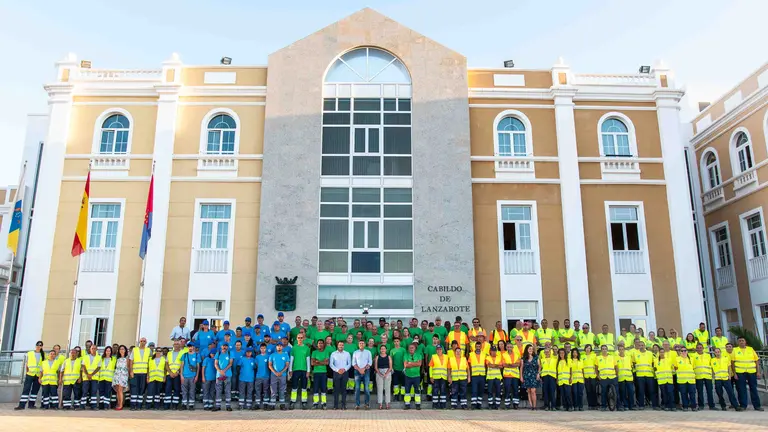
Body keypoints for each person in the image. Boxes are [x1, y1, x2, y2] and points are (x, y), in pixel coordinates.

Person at [732, 336, 763, 411]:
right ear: (738, 342)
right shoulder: (735, 350)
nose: (741, 342)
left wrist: (758, 372)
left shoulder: (750, 349)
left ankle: (757, 406)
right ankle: (743, 405)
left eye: (742, 340)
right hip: (740, 372)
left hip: (751, 372)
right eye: (739, 341)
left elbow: (756, 361)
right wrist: (734, 373)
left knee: (753, 389)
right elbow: (732, 362)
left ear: (745, 341)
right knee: (741, 389)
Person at [16, 340, 44, 410]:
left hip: (37, 375)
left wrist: (41, 376)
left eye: (40, 345)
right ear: (36, 346)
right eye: (38, 345)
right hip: (30, 374)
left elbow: (42, 366)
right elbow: (27, 363)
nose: (38, 346)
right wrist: (27, 371)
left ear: (42, 346)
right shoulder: (30, 353)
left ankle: (31, 405)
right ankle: (21, 405)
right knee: (26, 389)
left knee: (35, 390)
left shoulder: (43, 355)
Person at [632, 339, 657, 410]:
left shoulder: (649, 353)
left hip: (649, 375)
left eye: (642, 345)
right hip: (640, 375)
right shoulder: (635, 354)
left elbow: (653, 363)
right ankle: (641, 405)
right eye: (640, 345)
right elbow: (634, 364)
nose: (641, 346)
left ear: (645, 346)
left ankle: (654, 405)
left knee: (652, 390)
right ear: (638, 346)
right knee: (641, 391)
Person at [289, 333, 311, 409]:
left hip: (304, 370)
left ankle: (304, 402)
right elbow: (291, 359)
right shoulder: (294, 348)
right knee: (294, 387)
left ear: (303, 338)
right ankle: (292, 401)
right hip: (295, 370)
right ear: (296, 339)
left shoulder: (307, 348)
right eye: (299, 337)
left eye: (301, 338)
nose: (300, 339)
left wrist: (308, 371)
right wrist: (290, 369)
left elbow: (308, 360)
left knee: (304, 387)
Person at [129, 337, 151, 410]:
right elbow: (131, 361)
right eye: (141, 341)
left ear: (146, 342)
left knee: (141, 389)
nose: (143, 342)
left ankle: (139, 406)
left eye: (144, 341)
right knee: (134, 389)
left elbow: (150, 364)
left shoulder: (149, 350)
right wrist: (131, 371)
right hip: (135, 373)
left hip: (144, 373)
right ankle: (133, 406)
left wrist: (148, 375)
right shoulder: (135, 350)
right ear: (139, 342)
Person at [692, 342, 715, 410]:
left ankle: (711, 405)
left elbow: (711, 365)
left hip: (708, 375)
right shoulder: (693, 356)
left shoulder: (708, 355)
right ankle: (701, 405)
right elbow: (692, 366)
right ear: (696, 349)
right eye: (698, 348)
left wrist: (713, 374)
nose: (699, 349)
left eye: (700, 348)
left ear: (703, 348)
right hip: (698, 376)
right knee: (700, 391)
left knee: (709, 391)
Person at [330, 340, 352, 410]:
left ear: (343, 346)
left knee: (344, 390)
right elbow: (331, 364)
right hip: (336, 373)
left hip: (345, 373)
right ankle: (335, 405)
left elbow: (349, 364)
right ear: (337, 345)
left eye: (342, 345)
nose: (341, 346)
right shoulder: (333, 354)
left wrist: (344, 369)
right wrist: (337, 370)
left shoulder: (347, 354)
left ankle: (343, 405)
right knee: (336, 389)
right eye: (340, 345)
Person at [352, 339, 372, 410]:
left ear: (365, 344)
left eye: (363, 343)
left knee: (366, 389)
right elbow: (353, 363)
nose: (361, 344)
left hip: (366, 372)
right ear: (358, 344)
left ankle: (367, 404)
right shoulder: (355, 352)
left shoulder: (368, 352)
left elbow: (370, 362)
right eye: (360, 343)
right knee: (357, 389)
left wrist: (363, 369)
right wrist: (359, 369)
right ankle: (357, 404)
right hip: (357, 372)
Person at [268, 341, 289, 411]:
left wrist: (281, 372)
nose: (279, 347)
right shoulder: (272, 355)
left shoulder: (285, 355)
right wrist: (275, 372)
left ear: (282, 347)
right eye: (278, 346)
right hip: (274, 375)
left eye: (280, 346)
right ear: (276, 347)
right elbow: (270, 365)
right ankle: (272, 405)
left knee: (282, 390)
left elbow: (287, 365)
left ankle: (282, 405)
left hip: (282, 375)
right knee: (273, 390)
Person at [80, 344, 102, 410]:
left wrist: (91, 374)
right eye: (92, 348)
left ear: (96, 349)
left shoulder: (99, 357)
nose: (93, 349)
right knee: (84, 391)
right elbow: (83, 366)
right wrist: (87, 374)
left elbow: (98, 367)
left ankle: (94, 406)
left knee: (94, 391)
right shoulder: (85, 356)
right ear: (90, 349)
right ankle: (82, 406)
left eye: (95, 348)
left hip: (94, 377)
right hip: (86, 377)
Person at [213, 343, 234, 412]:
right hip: (219, 375)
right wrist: (220, 371)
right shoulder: (218, 353)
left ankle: (228, 406)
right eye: (223, 346)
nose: (224, 347)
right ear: (221, 346)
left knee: (227, 390)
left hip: (227, 374)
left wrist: (224, 371)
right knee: (218, 390)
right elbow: (215, 364)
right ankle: (218, 406)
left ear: (227, 347)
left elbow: (230, 363)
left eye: (226, 346)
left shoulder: (230, 353)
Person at [596, 344, 617, 411]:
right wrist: (598, 376)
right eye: (603, 349)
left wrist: (616, 374)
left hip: (612, 376)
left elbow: (616, 366)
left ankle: (619, 406)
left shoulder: (612, 357)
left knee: (616, 391)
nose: (604, 350)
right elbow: (596, 368)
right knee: (603, 392)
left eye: (605, 349)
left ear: (607, 350)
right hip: (603, 377)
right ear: (601, 350)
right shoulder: (598, 358)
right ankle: (603, 406)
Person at [675, 347, 697, 411]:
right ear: (680, 352)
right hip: (682, 380)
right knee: (683, 394)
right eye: (682, 351)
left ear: (687, 351)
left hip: (691, 380)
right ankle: (685, 407)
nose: (683, 352)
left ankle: (693, 407)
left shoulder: (691, 359)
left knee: (692, 394)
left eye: (685, 351)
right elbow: (675, 368)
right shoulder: (677, 359)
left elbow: (694, 368)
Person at [311, 339, 330, 409]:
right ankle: (315, 403)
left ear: (323, 344)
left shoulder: (326, 352)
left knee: (323, 388)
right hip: (316, 373)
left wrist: (318, 361)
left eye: (322, 343)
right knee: (315, 388)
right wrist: (322, 362)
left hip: (323, 373)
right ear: (317, 344)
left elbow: (327, 363)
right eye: (319, 343)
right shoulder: (314, 352)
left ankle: (323, 403)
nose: (320, 344)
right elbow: (312, 363)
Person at [180, 342, 200, 410]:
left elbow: (198, 367)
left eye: (191, 346)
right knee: (184, 391)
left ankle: (191, 404)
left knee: (192, 390)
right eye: (189, 346)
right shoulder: (184, 355)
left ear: (193, 347)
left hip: (193, 376)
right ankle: (184, 404)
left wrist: (197, 376)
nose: (190, 348)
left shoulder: (197, 355)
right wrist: (181, 375)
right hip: (185, 376)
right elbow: (182, 366)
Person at [403, 342, 423, 410]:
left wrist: (410, 363)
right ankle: (407, 404)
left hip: (416, 376)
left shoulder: (419, 355)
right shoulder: (406, 355)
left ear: (415, 349)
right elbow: (405, 365)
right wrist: (415, 363)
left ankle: (418, 404)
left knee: (417, 390)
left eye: (412, 348)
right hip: (408, 376)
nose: (411, 349)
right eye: (410, 348)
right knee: (407, 391)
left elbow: (419, 364)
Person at [164, 340, 183, 410]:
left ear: (180, 345)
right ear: (173, 345)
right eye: (175, 344)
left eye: (177, 344)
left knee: (177, 389)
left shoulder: (182, 353)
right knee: (168, 389)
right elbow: (166, 364)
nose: (176, 345)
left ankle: (175, 405)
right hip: (169, 374)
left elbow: (182, 364)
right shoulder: (169, 353)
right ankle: (167, 405)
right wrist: (170, 372)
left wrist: (177, 372)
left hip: (177, 374)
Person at [502, 340, 521, 409]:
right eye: (508, 347)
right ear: (506, 348)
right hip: (507, 375)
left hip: (515, 375)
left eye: (510, 347)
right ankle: (507, 404)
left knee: (515, 390)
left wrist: (509, 364)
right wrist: (513, 365)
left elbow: (518, 364)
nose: (509, 348)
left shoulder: (516, 355)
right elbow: (504, 364)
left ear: (513, 348)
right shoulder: (503, 354)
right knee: (507, 390)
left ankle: (516, 404)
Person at [615, 344, 634, 411]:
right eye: (619, 349)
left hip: (629, 377)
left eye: (622, 349)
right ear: (618, 350)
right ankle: (625, 405)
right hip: (621, 378)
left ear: (624, 350)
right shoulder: (615, 358)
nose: (621, 351)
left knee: (631, 392)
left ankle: (631, 405)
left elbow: (631, 366)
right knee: (623, 392)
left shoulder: (628, 357)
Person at [468, 341, 486, 409]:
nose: (478, 347)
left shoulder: (484, 354)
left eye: (479, 346)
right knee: (474, 390)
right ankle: (473, 404)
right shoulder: (471, 354)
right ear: (475, 347)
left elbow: (486, 365)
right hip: (474, 375)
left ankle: (479, 404)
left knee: (481, 390)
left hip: (482, 375)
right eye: (477, 346)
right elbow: (469, 365)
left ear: (481, 347)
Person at [521, 344, 539, 410]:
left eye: (532, 349)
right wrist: (521, 376)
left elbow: (539, 366)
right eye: (529, 349)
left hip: (534, 375)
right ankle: (531, 406)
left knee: (533, 390)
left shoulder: (536, 357)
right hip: (526, 375)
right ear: (527, 350)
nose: (531, 350)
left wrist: (538, 374)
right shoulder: (524, 358)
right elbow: (521, 368)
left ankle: (534, 406)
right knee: (528, 390)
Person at [539, 345, 557, 411]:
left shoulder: (555, 360)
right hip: (545, 376)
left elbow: (557, 369)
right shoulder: (542, 360)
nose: (547, 353)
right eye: (545, 352)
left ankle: (553, 406)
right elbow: (540, 368)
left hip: (552, 376)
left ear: (550, 352)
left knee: (552, 391)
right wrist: (539, 375)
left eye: (548, 352)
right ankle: (546, 405)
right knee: (545, 391)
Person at [375, 344, 393, 410]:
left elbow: (390, 367)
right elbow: (376, 367)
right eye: (381, 349)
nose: (383, 350)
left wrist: (386, 373)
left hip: (387, 372)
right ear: (380, 350)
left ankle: (387, 403)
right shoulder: (377, 357)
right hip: (379, 372)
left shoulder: (389, 357)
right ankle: (380, 404)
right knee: (380, 389)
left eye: (384, 349)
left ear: (386, 350)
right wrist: (379, 373)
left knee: (387, 388)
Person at [111, 345, 129, 410]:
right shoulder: (117, 359)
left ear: (125, 350)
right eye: (120, 349)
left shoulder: (127, 358)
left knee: (121, 390)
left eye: (123, 349)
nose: (121, 350)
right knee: (118, 390)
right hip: (117, 375)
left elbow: (128, 368)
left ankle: (121, 404)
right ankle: (118, 403)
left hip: (123, 375)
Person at [254, 343, 271, 410]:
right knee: (257, 390)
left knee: (266, 390)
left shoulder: (269, 356)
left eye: (264, 348)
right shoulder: (257, 357)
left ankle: (265, 403)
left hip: (266, 376)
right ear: (260, 349)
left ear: (266, 349)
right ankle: (257, 403)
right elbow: (256, 366)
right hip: (258, 376)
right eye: (261, 348)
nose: (263, 349)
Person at [98, 346, 116, 410]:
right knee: (101, 392)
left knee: (107, 392)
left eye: (109, 351)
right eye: (107, 350)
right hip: (101, 378)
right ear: (105, 351)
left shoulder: (114, 359)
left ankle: (106, 405)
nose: (108, 352)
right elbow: (98, 368)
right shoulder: (101, 358)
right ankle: (101, 405)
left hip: (109, 378)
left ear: (111, 352)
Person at [485, 345, 503, 409]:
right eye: (492, 351)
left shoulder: (499, 357)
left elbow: (501, 366)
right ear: (490, 351)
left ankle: (497, 405)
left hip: (498, 377)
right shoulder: (487, 358)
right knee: (490, 391)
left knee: (498, 391)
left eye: (495, 351)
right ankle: (490, 404)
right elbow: (489, 365)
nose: (494, 352)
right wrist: (497, 365)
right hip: (490, 377)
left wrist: (494, 365)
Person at [581, 344, 598, 410]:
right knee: (588, 391)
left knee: (594, 390)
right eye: (587, 348)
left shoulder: (594, 355)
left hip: (593, 375)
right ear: (585, 349)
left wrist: (597, 374)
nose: (588, 349)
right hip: (586, 376)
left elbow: (596, 365)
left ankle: (595, 405)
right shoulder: (582, 356)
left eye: (589, 348)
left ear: (591, 349)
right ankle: (590, 405)